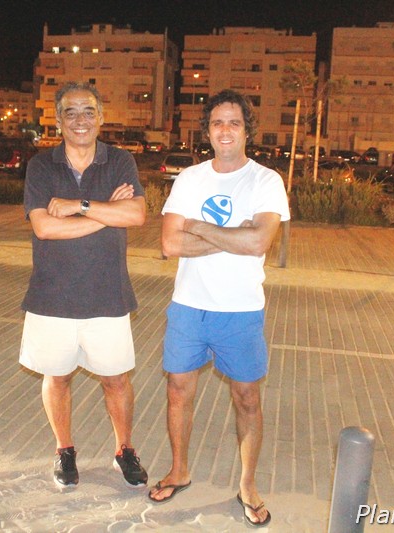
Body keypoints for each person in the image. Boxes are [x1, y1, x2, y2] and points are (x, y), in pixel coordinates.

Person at [148, 89, 290, 528]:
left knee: (247, 398)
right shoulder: (190, 179)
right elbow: (169, 244)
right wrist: (231, 236)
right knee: (178, 391)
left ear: (247, 130)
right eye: (217, 123)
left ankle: (247, 484)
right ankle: (179, 470)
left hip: (240, 310)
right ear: (207, 131)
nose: (225, 130)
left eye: (234, 122)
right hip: (189, 307)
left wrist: (197, 226)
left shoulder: (265, 181)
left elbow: (258, 241)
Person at [19, 81, 148, 490]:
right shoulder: (41, 166)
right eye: (70, 112)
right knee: (57, 378)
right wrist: (108, 214)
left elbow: (137, 215)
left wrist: (79, 206)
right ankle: (64, 449)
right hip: (51, 296)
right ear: (58, 120)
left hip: (108, 295)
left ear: (101, 118)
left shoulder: (120, 160)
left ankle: (124, 450)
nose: (80, 119)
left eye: (88, 111)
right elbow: (44, 228)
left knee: (117, 380)